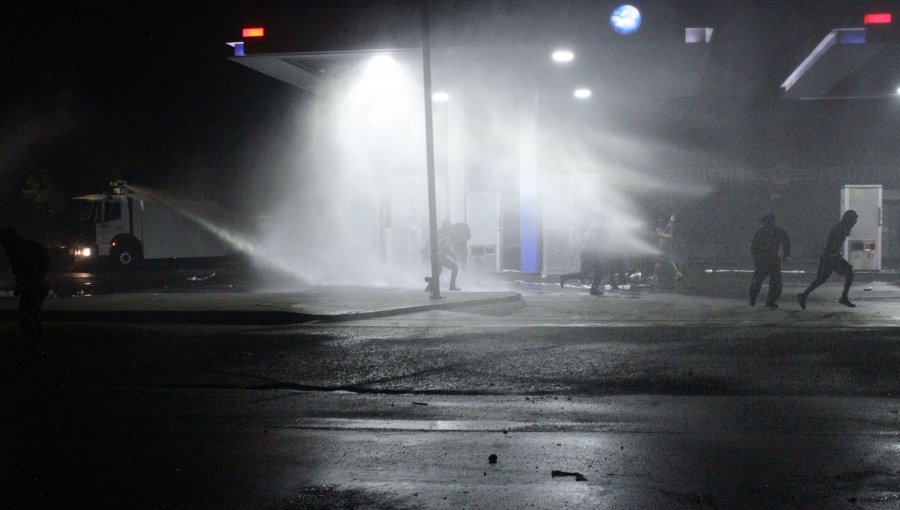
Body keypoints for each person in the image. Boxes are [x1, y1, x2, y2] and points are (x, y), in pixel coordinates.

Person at [0, 228, 51, 350]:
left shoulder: (19, 250)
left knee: (24, 317)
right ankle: (40, 344)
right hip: (42, 284)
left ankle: (34, 346)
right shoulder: (29, 246)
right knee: (34, 315)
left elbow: (28, 271)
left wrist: (22, 286)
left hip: (34, 285)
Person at [798, 209, 858, 309]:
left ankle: (804, 295)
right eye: (853, 222)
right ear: (849, 220)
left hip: (832, 257)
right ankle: (804, 295)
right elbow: (833, 243)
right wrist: (835, 254)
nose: (853, 225)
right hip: (830, 258)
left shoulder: (841, 227)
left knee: (822, 279)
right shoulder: (840, 228)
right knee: (822, 279)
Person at [749, 213, 791, 308]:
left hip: (763, 260)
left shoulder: (760, 232)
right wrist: (786, 255)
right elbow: (786, 243)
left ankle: (753, 297)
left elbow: (753, 247)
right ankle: (770, 300)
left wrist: (756, 257)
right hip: (773, 260)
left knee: (758, 280)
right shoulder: (779, 231)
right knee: (775, 282)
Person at [559, 222, 604, 295]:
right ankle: (593, 289)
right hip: (589, 253)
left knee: (584, 273)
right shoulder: (593, 230)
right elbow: (590, 243)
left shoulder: (592, 230)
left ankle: (565, 277)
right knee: (598, 270)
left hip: (588, 253)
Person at [424, 221, 461, 293]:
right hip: (439, 257)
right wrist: (454, 257)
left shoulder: (446, 238)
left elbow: (445, 249)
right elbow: (446, 249)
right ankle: (452, 286)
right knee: (455, 268)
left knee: (438, 273)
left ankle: (428, 287)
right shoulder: (449, 239)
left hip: (436, 257)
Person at [651, 212, 684, 283]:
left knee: (657, 259)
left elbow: (670, 236)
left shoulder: (672, 225)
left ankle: (654, 275)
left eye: (672, 216)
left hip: (664, 246)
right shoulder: (671, 225)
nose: (670, 216)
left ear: (674, 218)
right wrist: (660, 232)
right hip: (665, 245)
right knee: (669, 260)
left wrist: (661, 234)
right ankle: (678, 273)